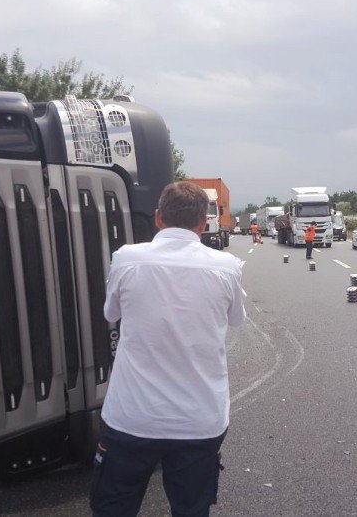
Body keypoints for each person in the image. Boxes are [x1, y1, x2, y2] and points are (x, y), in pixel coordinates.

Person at [90, 181, 247, 516]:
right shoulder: (227, 266)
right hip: (199, 420)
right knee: (191, 509)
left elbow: (110, 314)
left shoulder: (127, 258)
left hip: (131, 417)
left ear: (158, 218)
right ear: (204, 223)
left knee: (113, 508)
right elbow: (236, 320)